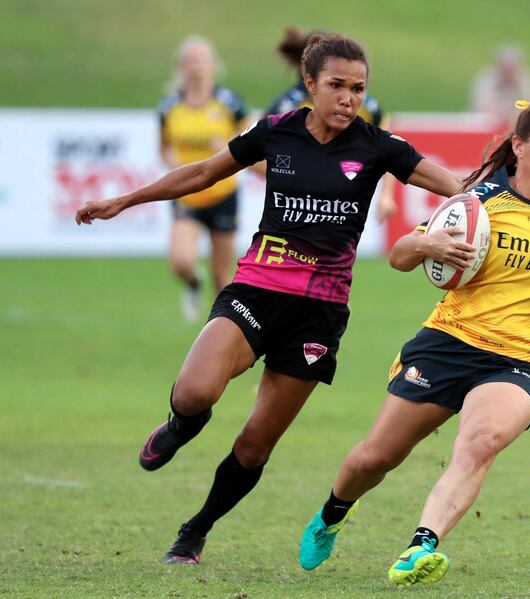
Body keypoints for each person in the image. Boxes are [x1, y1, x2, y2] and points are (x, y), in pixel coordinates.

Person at [75, 33, 462, 565]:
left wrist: (494, 187)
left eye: (359, 88)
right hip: (258, 287)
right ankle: (181, 425)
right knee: (193, 392)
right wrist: (125, 199)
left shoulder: (378, 146)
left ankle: (195, 530)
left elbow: (457, 188)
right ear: (309, 84)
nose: (349, 99)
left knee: (256, 445)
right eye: (337, 86)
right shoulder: (276, 133)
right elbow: (201, 173)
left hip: (318, 316)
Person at [298, 100, 530, 586]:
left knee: (480, 443)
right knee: (377, 457)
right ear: (520, 145)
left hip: (520, 359)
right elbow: (400, 255)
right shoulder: (479, 200)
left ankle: (421, 545)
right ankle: (334, 512)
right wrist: (428, 245)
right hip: (448, 343)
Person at [158, 35, 249, 321]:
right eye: (189, 61)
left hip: (223, 193)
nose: (195, 66)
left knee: (222, 275)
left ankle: (221, 328)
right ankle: (193, 282)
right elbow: (163, 147)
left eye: (200, 59)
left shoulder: (229, 102)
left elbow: (250, 140)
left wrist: (224, 146)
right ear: (180, 68)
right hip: (187, 193)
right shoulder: (169, 107)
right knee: (181, 261)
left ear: (212, 65)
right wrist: (171, 160)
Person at [266, 26, 398, 221]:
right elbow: (257, 155)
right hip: (296, 205)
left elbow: (389, 148)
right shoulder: (287, 106)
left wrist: (386, 195)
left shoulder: (365, 105)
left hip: (342, 204)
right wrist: (296, 175)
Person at [469, 45, 530, 125]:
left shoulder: (526, 79)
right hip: (489, 123)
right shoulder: (487, 78)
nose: (508, 72)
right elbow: (480, 105)